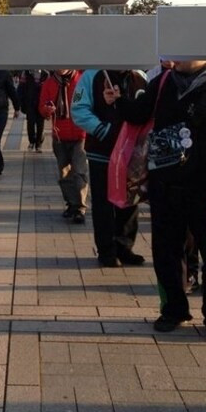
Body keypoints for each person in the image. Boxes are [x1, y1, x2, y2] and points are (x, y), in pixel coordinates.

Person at [105, 60, 206, 342]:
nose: (174, 56)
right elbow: (139, 114)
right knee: (167, 251)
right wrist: (118, 102)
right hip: (166, 185)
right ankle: (173, 310)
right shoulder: (164, 82)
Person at [71, 68, 147, 267]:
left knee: (130, 200)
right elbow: (79, 109)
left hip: (132, 153)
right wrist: (103, 130)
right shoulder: (91, 76)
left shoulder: (140, 76)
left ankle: (125, 246)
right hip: (102, 152)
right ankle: (106, 250)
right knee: (103, 203)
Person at [39, 69, 88, 223]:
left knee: (79, 171)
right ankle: (72, 204)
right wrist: (47, 110)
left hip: (81, 134)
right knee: (64, 174)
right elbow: (42, 107)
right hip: (60, 135)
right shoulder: (49, 83)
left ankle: (80, 207)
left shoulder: (82, 80)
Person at [18, 70, 47, 151]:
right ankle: (31, 141)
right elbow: (21, 88)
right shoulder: (26, 73)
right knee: (30, 123)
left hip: (41, 103)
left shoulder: (45, 74)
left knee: (40, 124)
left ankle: (38, 144)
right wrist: (19, 102)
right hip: (29, 103)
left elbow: (49, 89)